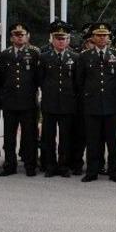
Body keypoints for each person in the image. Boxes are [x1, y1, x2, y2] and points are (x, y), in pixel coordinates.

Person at [76, 22, 116, 183]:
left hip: (112, 106)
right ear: (93, 38)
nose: (102, 38)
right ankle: (92, 171)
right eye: (98, 35)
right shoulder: (84, 56)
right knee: (93, 142)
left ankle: (115, 172)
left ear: (109, 38)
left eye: (105, 35)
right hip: (92, 106)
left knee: (113, 143)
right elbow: (79, 82)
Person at [0, 23, 40, 177]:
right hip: (10, 102)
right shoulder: (5, 54)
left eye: (22, 34)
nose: (19, 37)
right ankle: (10, 165)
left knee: (30, 136)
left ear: (27, 36)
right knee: (9, 137)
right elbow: (0, 78)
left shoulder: (34, 53)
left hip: (28, 102)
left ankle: (30, 165)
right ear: (11, 38)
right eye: (16, 34)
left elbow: (38, 78)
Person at [39, 20, 79, 177]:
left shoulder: (75, 57)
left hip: (68, 103)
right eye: (58, 38)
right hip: (50, 102)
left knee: (66, 136)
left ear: (68, 40)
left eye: (64, 38)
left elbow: (77, 81)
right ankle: (50, 165)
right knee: (48, 137)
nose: (61, 41)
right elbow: (40, 79)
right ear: (52, 39)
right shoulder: (44, 57)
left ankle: (63, 166)